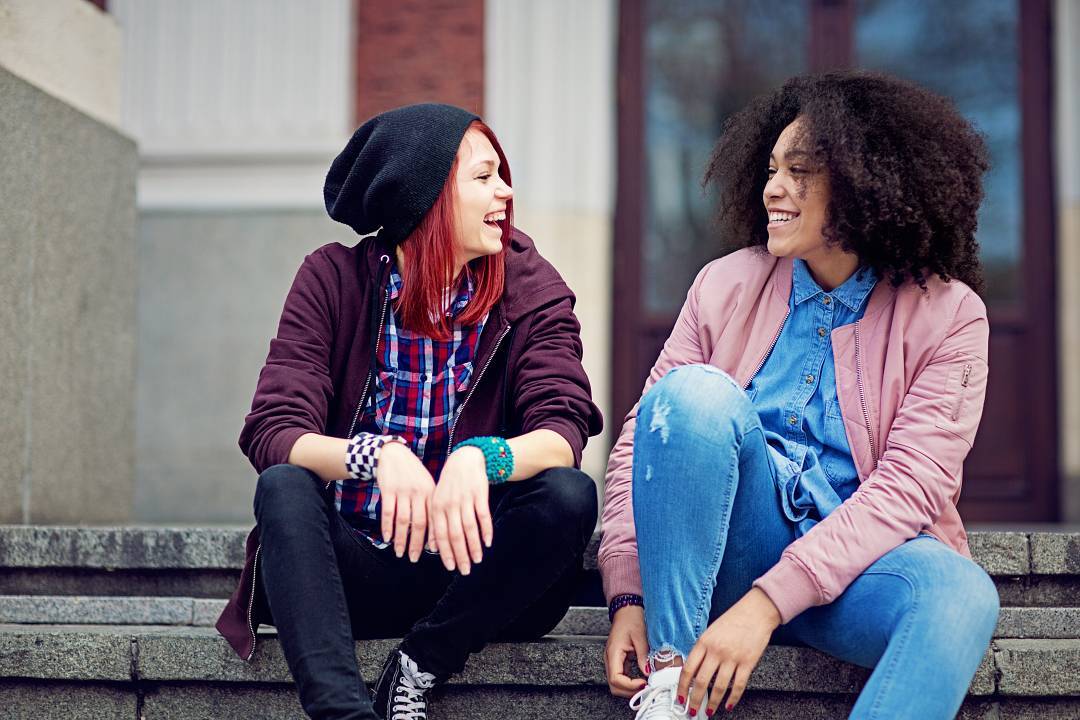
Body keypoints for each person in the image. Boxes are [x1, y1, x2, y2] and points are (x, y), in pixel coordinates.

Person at [599, 71, 1000, 719]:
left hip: (855, 578)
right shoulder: (723, 285)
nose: (773, 189)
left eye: (800, 171)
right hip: (720, 566)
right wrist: (626, 596)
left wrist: (765, 607)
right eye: (770, 168)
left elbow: (911, 486)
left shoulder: (950, 315)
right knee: (693, 396)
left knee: (962, 594)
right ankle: (672, 691)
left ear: (869, 183)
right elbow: (646, 441)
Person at [215, 103, 603, 720]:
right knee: (284, 487)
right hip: (359, 571)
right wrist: (377, 455)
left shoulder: (531, 287)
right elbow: (272, 429)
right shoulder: (332, 280)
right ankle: (344, 712)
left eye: (502, 174)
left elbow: (562, 430)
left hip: (480, 577)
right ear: (424, 197)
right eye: (483, 178)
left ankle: (419, 665)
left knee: (568, 495)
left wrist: (482, 457)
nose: (505, 191)